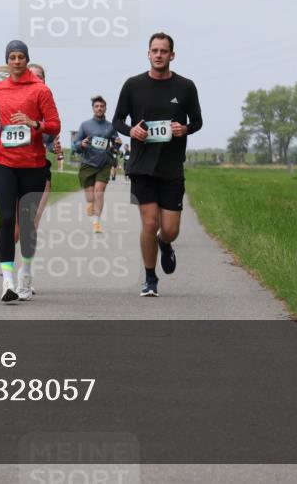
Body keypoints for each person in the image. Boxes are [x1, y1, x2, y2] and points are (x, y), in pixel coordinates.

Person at [113, 32, 202, 297]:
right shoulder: (133, 85)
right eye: (155, 50)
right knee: (150, 224)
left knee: (170, 230)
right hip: (142, 167)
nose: (159, 55)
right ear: (148, 54)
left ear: (172, 55)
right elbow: (118, 120)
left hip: (172, 167)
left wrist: (184, 129)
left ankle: (165, 244)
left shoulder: (186, 87)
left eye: (164, 51)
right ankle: (150, 278)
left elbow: (197, 121)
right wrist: (132, 131)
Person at [0, 41, 60, 302]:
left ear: (27, 60)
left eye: (20, 57)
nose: (16, 61)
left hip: (33, 166)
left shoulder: (41, 90)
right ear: (7, 61)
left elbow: (54, 125)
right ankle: (8, 281)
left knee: (26, 225)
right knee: (7, 219)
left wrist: (34, 123)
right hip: (4, 163)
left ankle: (25, 273)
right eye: (12, 57)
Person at [73, 96, 121, 234]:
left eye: (102, 106)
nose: (99, 108)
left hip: (104, 163)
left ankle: (96, 222)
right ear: (93, 108)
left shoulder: (111, 126)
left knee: (99, 192)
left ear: (105, 108)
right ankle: (90, 204)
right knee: (90, 197)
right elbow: (75, 144)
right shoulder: (85, 125)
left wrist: (117, 144)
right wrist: (81, 144)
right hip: (88, 163)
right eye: (97, 106)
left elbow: (115, 145)